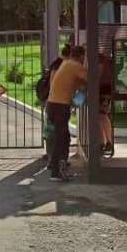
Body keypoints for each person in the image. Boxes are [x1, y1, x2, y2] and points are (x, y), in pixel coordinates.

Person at [46, 45, 87, 182]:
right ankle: (57, 171)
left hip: (52, 105)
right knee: (62, 139)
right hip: (60, 106)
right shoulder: (76, 65)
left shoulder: (66, 63)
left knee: (61, 137)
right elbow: (89, 77)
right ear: (82, 57)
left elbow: (79, 83)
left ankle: (55, 165)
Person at [97, 53, 114, 157]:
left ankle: (108, 141)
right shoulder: (99, 58)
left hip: (104, 90)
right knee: (99, 116)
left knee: (102, 114)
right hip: (102, 89)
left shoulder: (100, 58)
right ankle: (103, 141)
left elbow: (98, 76)